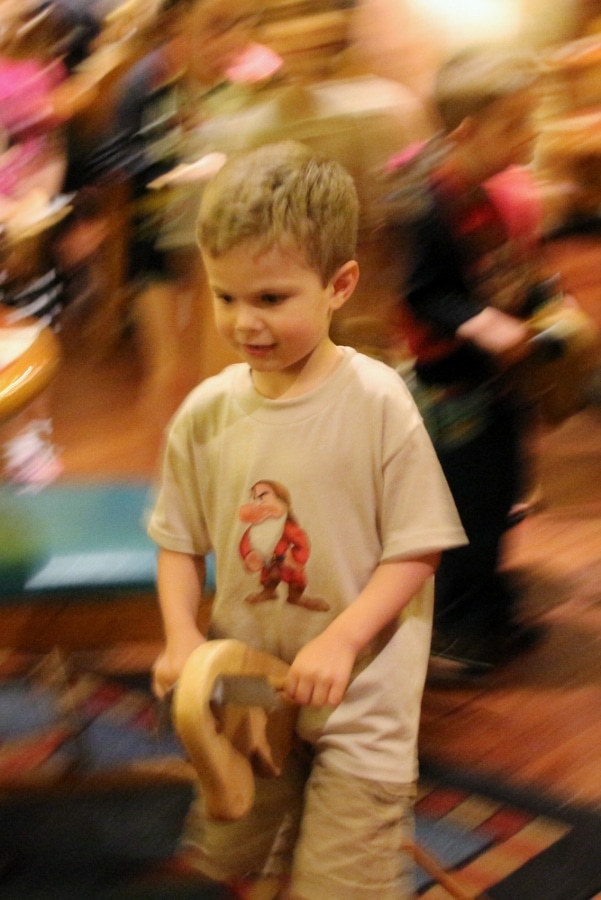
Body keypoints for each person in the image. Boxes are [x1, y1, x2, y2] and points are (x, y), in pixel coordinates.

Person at [147, 141, 466, 900]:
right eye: (226, 297)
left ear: (338, 285)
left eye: (270, 298)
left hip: (360, 694)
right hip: (251, 682)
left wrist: (342, 637)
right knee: (226, 842)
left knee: (339, 884)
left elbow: (418, 548)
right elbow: (176, 541)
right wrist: (181, 634)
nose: (244, 322)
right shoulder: (207, 414)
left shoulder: (376, 401)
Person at [384, 46, 565, 674]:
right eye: (515, 123)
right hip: (452, 387)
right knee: (464, 509)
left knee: (504, 493)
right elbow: (422, 293)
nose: (530, 135)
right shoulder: (427, 203)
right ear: (467, 131)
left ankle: (492, 608)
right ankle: (454, 630)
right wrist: (484, 323)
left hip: (494, 381)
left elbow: (506, 269)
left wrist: (543, 297)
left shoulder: (482, 195)